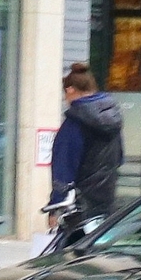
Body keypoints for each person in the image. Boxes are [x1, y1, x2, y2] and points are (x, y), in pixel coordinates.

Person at [49, 64, 124, 232]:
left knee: (70, 255)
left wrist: (55, 207)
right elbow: (119, 157)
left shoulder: (74, 124)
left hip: (79, 209)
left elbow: (63, 169)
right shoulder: (114, 119)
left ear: (70, 90)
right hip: (107, 203)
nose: (65, 100)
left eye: (65, 95)